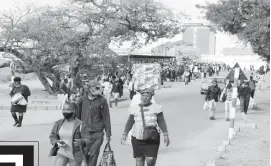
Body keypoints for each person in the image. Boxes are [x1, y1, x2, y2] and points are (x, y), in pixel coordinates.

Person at [121, 88, 170, 166]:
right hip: (137, 138)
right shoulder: (135, 108)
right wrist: (124, 134)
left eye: (147, 96)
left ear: (151, 97)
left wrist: (166, 135)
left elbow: (161, 121)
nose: (145, 97)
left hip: (152, 137)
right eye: (143, 96)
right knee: (139, 160)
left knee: (151, 159)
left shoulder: (156, 108)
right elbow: (130, 121)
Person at [76, 80, 111, 166]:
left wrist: (108, 134)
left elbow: (106, 117)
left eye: (99, 88)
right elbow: (77, 117)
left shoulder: (102, 100)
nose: (99, 90)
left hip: (97, 133)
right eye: (97, 88)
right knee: (85, 156)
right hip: (84, 134)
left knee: (93, 156)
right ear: (89, 89)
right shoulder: (81, 100)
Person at [49, 102, 91, 166]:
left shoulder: (80, 124)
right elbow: (52, 135)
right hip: (61, 153)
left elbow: (88, 139)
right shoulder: (58, 123)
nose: (65, 111)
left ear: (73, 111)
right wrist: (56, 142)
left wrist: (82, 141)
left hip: (75, 155)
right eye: (64, 109)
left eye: (68, 109)